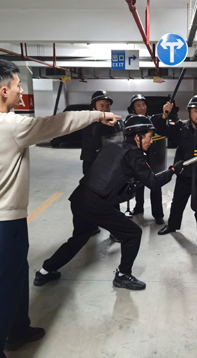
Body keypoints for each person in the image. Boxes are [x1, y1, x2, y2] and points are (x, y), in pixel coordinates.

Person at [0, 58, 119, 358]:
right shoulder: (12, 126)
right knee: (3, 290)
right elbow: (60, 123)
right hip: (5, 223)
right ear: (4, 91)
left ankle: (18, 330)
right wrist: (99, 114)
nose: (21, 91)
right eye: (18, 86)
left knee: (17, 276)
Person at [34, 115, 182, 290]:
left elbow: (113, 174)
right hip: (96, 203)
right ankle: (123, 275)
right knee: (133, 233)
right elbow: (153, 182)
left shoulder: (112, 145)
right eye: (149, 136)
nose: (151, 141)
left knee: (78, 238)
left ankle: (44, 271)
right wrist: (172, 170)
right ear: (137, 136)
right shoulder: (134, 154)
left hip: (79, 198)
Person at [155, 95, 197, 251]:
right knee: (177, 203)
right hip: (184, 174)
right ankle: (172, 226)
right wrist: (164, 115)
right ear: (189, 112)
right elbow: (161, 130)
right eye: (196, 111)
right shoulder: (180, 127)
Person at [126, 94, 168, 224]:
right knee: (138, 185)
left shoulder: (150, 119)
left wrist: (165, 114)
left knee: (155, 186)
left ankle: (158, 214)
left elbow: (159, 119)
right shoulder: (131, 121)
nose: (142, 107)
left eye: (143, 105)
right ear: (133, 108)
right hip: (138, 159)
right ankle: (139, 207)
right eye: (138, 105)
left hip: (153, 159)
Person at [80, 90, 113, 174]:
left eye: (107, 106)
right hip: (92, 164)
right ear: (94, 107)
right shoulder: (88, 124)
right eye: (102, 106)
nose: (105, 109)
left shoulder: (112, 124)